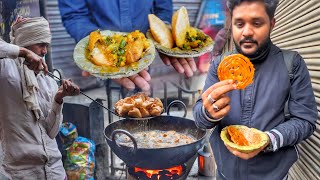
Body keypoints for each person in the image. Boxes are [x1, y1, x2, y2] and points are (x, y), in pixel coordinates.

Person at [193, 0, 317, 179]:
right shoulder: (219, 65)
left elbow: (306, 121)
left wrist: (268, 140)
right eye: (239, 23)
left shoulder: (292, 64)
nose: (247, 32)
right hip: (225, 174)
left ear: (272, 24)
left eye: (257, 23)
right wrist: (208, 112)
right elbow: (199, 118)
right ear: (232, 24)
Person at [0, 16, 80, 179]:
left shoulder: (48, 81)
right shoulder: (5, 70)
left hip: (55, 171)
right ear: (26, 42)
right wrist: (22, 53)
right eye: (40, 44)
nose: (44, 51)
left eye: (46, 46)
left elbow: (50, 132)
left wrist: (59, 99)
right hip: (21, 173)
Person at [58, 0, 197, 92]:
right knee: (112, 111)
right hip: (101, 65)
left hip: (144, 54)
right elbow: (74, 15)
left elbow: (163, 7)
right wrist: (95, 45)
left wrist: (163, 35)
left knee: (141, 103)